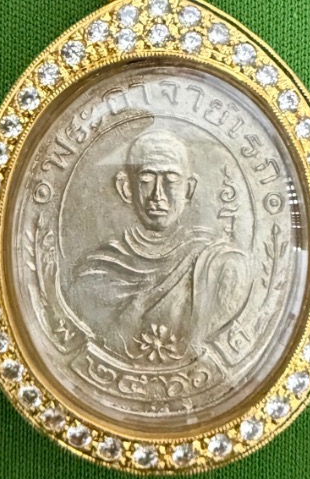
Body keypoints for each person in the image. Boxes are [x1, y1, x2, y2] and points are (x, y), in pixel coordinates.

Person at [73, 128, 249, 360]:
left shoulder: (219, 265)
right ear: (126, 188)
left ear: (189, 189)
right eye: (146, 180)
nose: (158, 194)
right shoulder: (96, 273)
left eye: (171, 180)